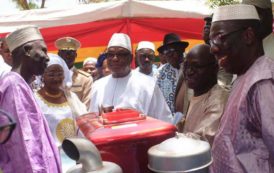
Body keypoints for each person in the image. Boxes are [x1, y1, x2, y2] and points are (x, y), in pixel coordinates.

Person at [209, 4, 274, 172]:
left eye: (220, 38)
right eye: (211, 41)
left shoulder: (262, 83)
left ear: (248, 36)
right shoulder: (243, 75)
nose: (213, 48)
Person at [0, 26, 61, 173]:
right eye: (43, 50)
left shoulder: (22, 84)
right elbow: (23, 147)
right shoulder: (14, 86)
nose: (47, 57)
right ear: (27, 50)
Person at [90, 33, 173, 123]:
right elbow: (92, 120)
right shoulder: (98, 86)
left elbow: (164, 120)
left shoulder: (148, 85)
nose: (115, 58)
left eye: (121, 54)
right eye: (110, 54)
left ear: (130, 58)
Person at [179, 44, 229, 145]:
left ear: (215, 68)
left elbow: (202, 141)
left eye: (196, 66)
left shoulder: (219, 99)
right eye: (186, 66)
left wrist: (171, 136)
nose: (189, 72)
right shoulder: (196, 92)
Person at [34, 53, 87, 147]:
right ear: (42, 76)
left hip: (75, 151)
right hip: (49, 153)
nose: (56, 78)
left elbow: (84, 121)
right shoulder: (34, 99)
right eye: (51, 74)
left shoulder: (71, 97)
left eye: (60, 74)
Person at [56, 37, 93, 109]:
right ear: (59, 54)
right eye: (64, 52)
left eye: (71, 52)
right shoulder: (50, 77)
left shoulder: (85, 79)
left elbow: (86, 105)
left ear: (76, 55)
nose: (67, 55)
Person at [156, 33, 189, 114]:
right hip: (169, 121)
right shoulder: (160, 73)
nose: (170, 53)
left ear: (182, 49)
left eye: (174, 49)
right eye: (166, 50)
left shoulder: (192, 67)